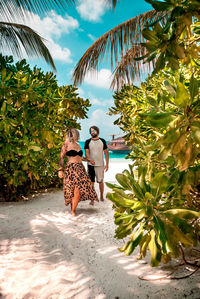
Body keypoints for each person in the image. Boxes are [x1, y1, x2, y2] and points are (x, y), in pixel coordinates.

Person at [58, 128, 98, 217]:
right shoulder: (66, 144)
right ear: (72, 135)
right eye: (77, 134)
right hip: (71, 169)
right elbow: (61, 158)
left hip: (80, 169)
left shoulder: (78, 145)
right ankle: (73, 210)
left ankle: (73, 210)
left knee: (78, 190)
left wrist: (89, 160)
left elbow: (80, 157)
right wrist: (60, 170)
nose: (78, 136)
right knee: (72, 190)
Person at [84, 126, 109, 201]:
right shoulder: (87, 141)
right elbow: (86, 152)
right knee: (91, 182)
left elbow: (106, 153)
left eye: (94, 131)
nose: (92, 132)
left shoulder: (102, 141)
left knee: (100, 181)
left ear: (97, 131)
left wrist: (107, 164)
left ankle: (101, 196)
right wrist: (89, 159)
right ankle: (92, 198)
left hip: (100, 165)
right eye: (91, 131)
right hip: (90, 165)